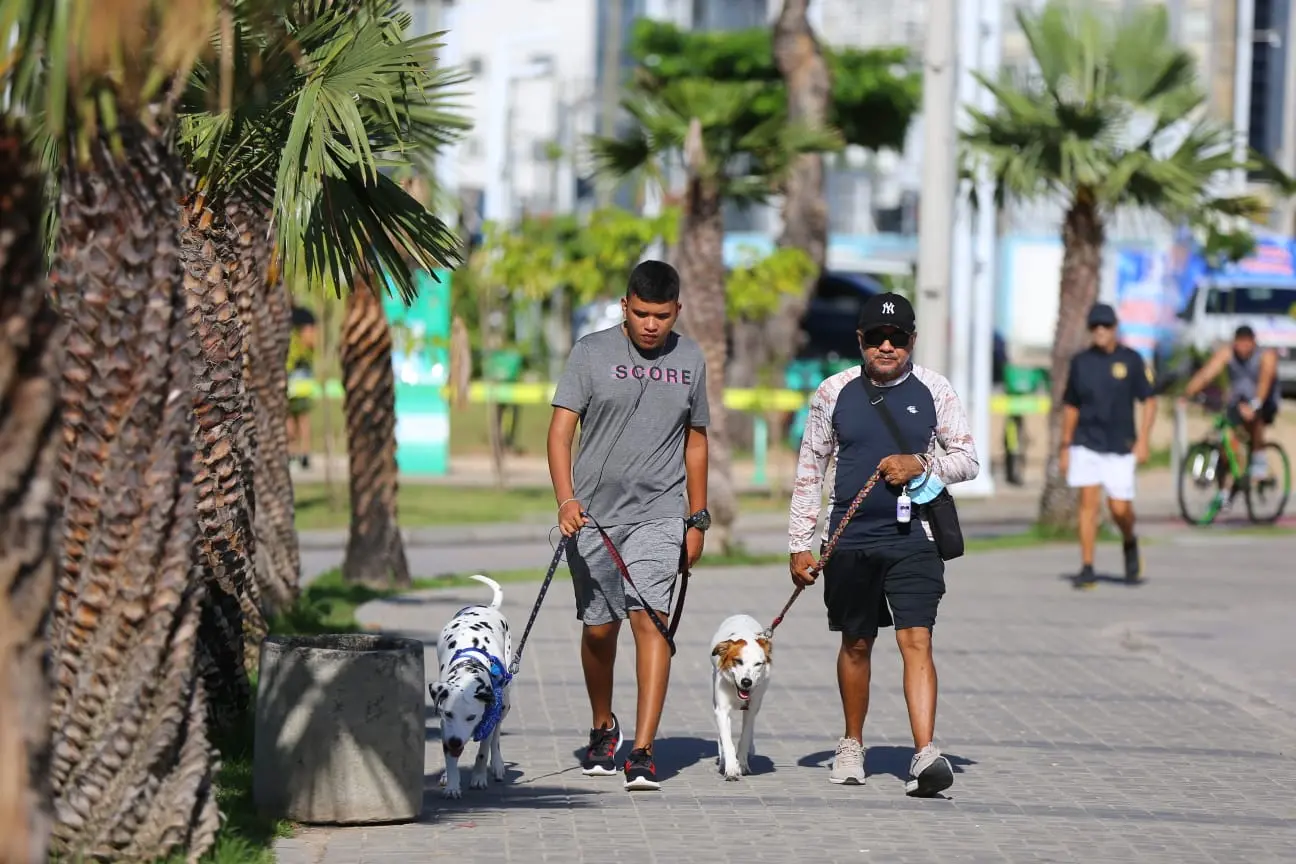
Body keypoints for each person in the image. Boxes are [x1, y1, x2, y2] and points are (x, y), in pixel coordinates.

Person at [787, 291, 979, 797]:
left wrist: (922, 464)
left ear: (912, 341)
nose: (887, 346)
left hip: (916, 537)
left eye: (897, 338)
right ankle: (852, 744)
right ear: (860, 341)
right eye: (877, 338)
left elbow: (967, 459)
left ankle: (925, 753)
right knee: (856, 642)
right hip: (849, 540)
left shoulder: (936, 389)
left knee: (916, 639)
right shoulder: (833, 392)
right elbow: (811, 471)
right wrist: (799, 544)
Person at [547, 259, 710, 792]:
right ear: (625, 306)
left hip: (660, 513)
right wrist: (566, 499)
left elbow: (697, 440)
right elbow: (559, 433)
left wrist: (697, 518)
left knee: (652, 620)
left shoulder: (690, 358)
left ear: (676, 312)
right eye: (641, 313)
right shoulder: (590, 353)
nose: (650, 325)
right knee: (599, 629)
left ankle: (643, 750)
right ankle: (602, 723)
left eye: (661, 315)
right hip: (592, 517)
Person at [1058, 303, 1157, 588]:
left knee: (1119, 508)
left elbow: (1149, 400)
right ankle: (1087, 566)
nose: (1100, 331)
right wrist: (1065, 445)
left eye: (1106, 326)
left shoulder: (1131, 360)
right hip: (1086, 442)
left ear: (1115, 328)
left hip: (1120, 445)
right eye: (1095, 327)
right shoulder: (1081, 363)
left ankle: (1129, 538)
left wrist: (1143, 440)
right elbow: (1071, 405)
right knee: (1088, 504)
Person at [1179, 324, 1279, 487]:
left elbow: (1264, 382)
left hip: (1264, 399)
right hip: (1239, 400)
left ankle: (1259, 463)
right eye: (1240, 342)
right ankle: (1232, 474)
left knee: (1255, 422)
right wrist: (1187, 394)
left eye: (1247, 343)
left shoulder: (1266, 355)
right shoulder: (1227, 353)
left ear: (1253, 342)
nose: (1243, 347)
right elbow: (1207, 373)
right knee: (1226, 433)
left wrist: (1255, 405)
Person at [286, 304, 318, 469]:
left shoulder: (303, 319)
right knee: (292, 419)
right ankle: (295, 452)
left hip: (299, 381)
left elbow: (312, 343)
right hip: (293, 380)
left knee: (300, 419)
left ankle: (302, 453)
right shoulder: (293, 323)